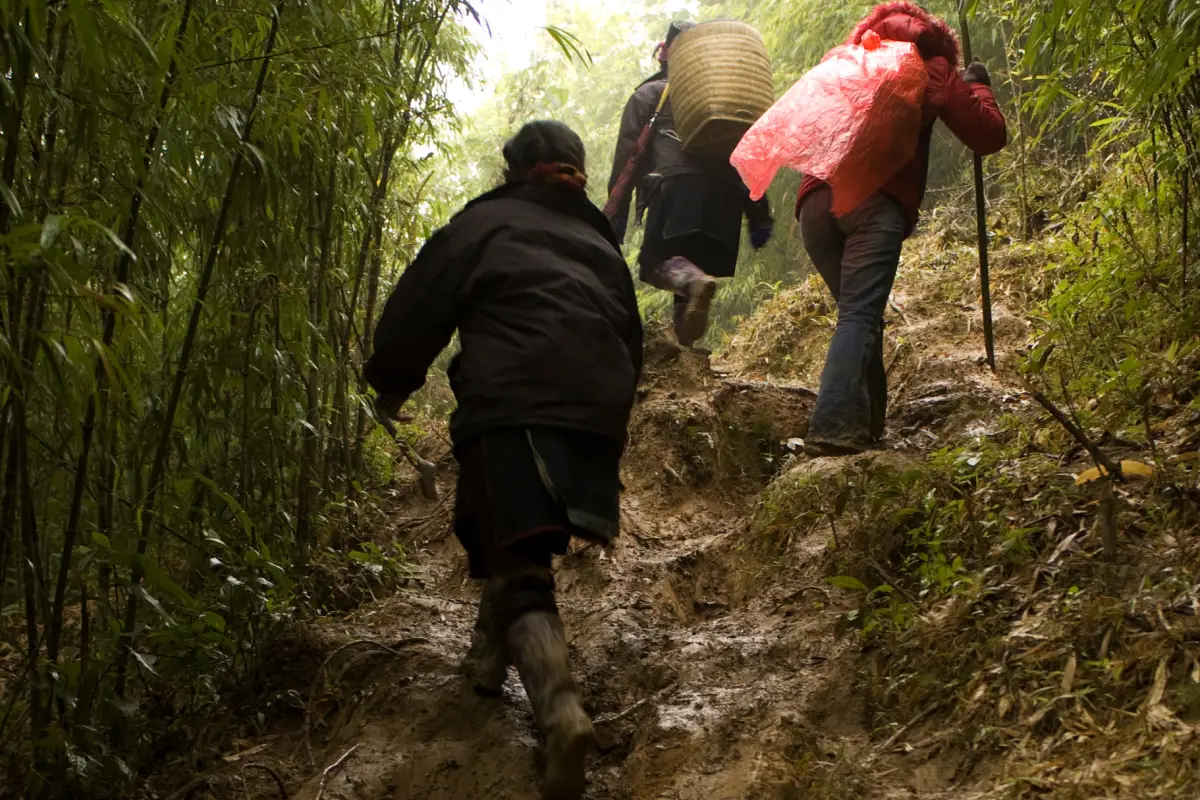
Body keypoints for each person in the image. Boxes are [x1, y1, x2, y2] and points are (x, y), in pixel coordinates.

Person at [363, 120, 643, 800]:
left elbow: (418, 307)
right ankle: (487, 662)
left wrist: (390, 384)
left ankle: (559, 710)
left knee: (517, 553)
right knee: (517, 532)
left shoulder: (483, 223)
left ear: (514, 169)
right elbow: (630, 336)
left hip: (515, 400)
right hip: (597, 411)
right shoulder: (599, 242)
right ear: (575, 170)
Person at [796, 1, 1007, 456]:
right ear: (930, 34)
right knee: (859, 314)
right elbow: (988, 134)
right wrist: (978, 87)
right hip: (875, 202)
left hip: (814, 204)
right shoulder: (929, 67)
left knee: (860, 314)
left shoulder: (849, 59)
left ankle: (867, 425)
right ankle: (832, 426)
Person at [608, 20, 774, 347]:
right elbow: (746, 153)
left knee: (658, 264)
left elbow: (628, 159)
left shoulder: (650, 95)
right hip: (728, 197)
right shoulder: (724, 102)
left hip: (675, 189)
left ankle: (692, 285)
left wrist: (616, 215)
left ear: (668, 53)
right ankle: (686, 351)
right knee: (690, 277)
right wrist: (759, 214)